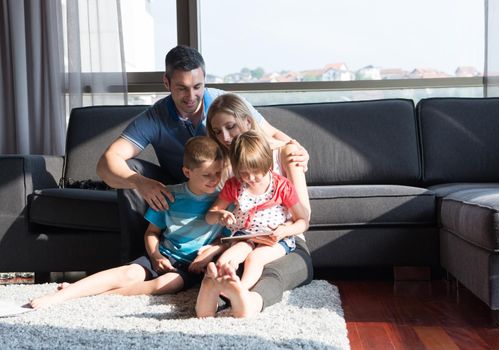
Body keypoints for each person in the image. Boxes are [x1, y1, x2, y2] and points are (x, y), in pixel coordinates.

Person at [96, 45, 308, 262]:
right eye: (181, 88)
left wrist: (298, 150)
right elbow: (106, 163)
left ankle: (213, 256)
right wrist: (140, 182)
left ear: (205, 79)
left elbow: (270, 136)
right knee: (130, 170)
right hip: (180, 186)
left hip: (223, 189)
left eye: (197, 86)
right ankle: (143, 260)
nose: (191, 96)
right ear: (167, 83)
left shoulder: (223, 104)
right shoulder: (155, 117)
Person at [30, 136, 227, 309]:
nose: (214, 179)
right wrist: (156, 255)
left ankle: (96, 297)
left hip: (192, 265)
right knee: (129, 274)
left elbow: (227, 239)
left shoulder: (223, 200)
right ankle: (62, 295)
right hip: (163, 255)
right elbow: (152, 232)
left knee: (168, 283)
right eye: (207, 175)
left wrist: (211, 252)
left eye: (217, 173)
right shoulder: (170, 195)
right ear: (187, 172)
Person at [196, 93, 313, 318]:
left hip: (284, 240)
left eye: (231, 127)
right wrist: (220, 244)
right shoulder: (228, 170)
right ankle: (208, 302)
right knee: (227, 266)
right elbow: (223, 216)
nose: (226, 137)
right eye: (218, 132)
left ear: (248, 121)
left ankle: (247, 302)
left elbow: (304, 215)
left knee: (269, 272)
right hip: (243, 238)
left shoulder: (285, 153)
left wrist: (280, 232)